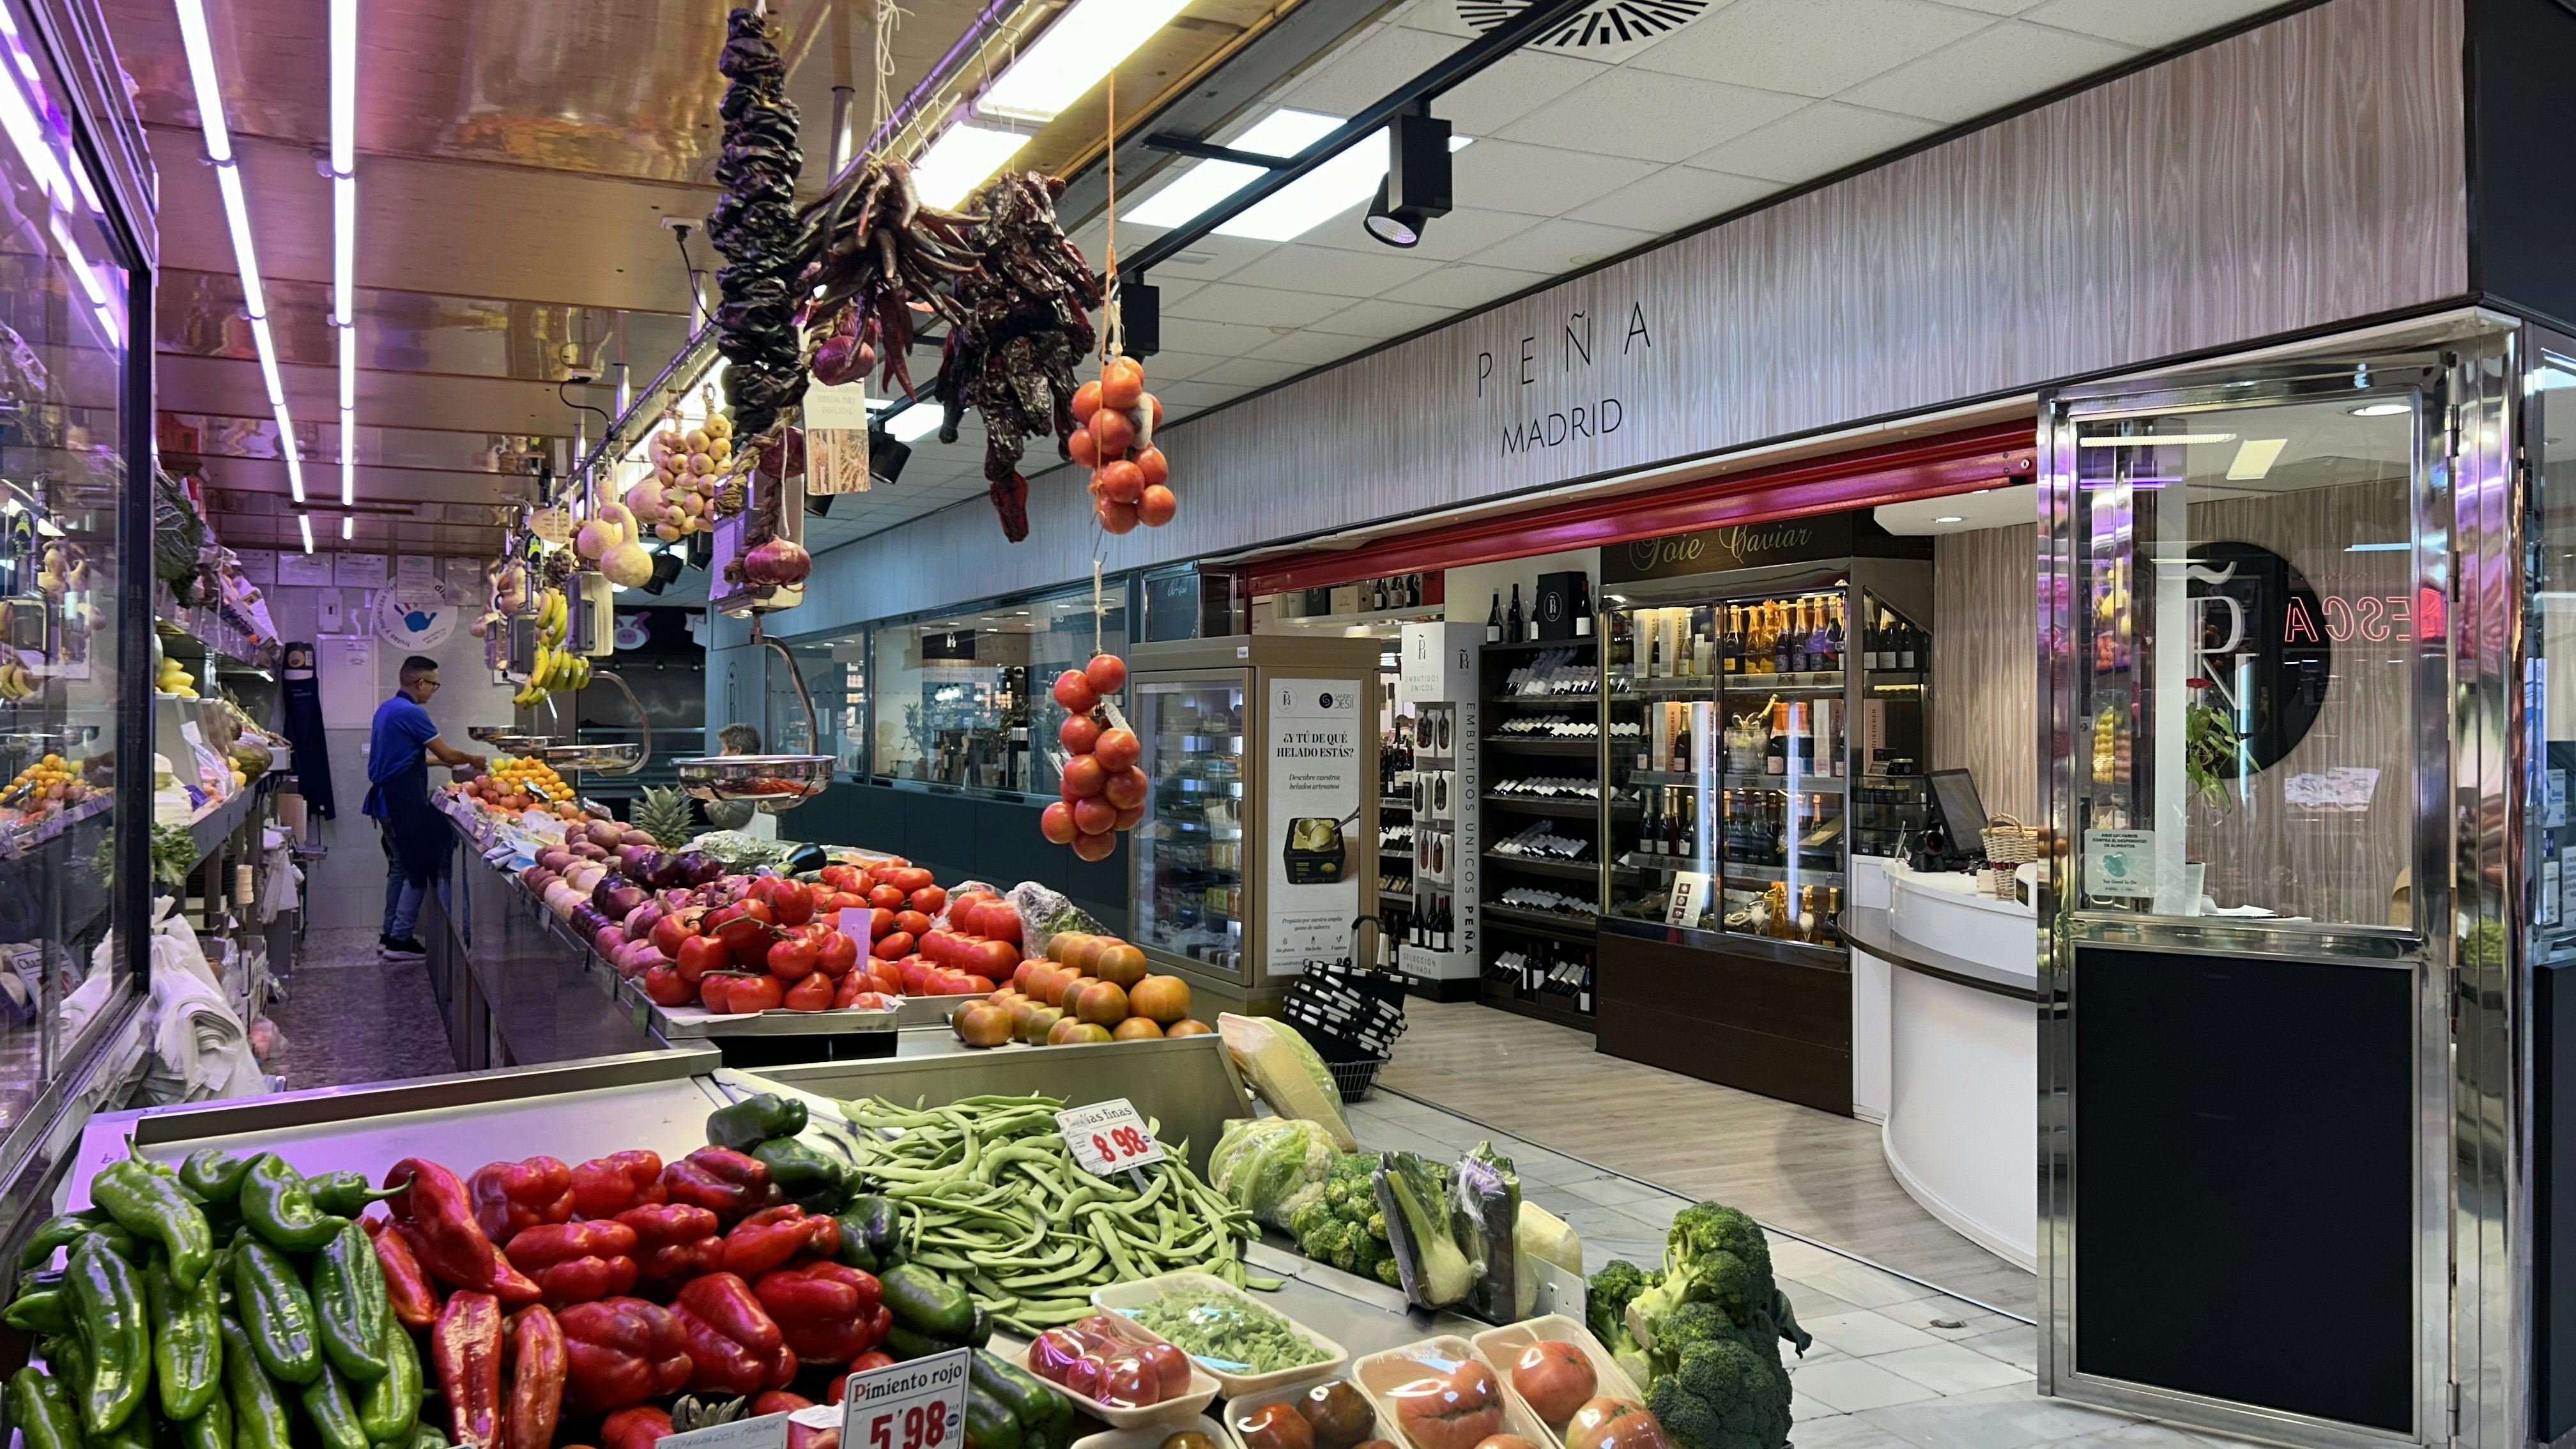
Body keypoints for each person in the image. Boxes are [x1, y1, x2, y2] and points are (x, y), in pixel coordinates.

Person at [364, 656, 484, 960]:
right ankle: (400, 941)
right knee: (419, 869)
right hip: (400, 802)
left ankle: (389, 933)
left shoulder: (388, 709)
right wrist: (473, 760)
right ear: (420, 683)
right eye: (433, 684)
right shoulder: (412, 713)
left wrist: (446, 762)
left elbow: (409, 757)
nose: (433, 690)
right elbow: (446, 752)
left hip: (384, 802)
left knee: (400, 867)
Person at [700, 723, 769, 835]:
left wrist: (713, 806)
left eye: (724, 749)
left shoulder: (743, 774)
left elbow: (733, 817)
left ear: (737, 751)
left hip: (747, 848)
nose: (721, 754)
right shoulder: (762, 770)